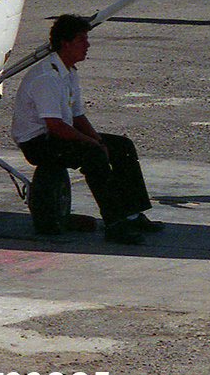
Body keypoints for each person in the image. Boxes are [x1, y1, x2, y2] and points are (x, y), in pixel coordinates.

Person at [12, 15, 159, 245]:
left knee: (122, 146)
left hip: (56, 134)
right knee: (94, 155)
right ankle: (114, 224)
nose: (87, 45)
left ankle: (132, 214)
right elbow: (56, 126)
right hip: (38, 142)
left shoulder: (69, 72)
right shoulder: (47, 76)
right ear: (65, 43)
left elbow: (77, 115)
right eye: (82, 40)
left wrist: (98, 138)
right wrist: (93, 145)